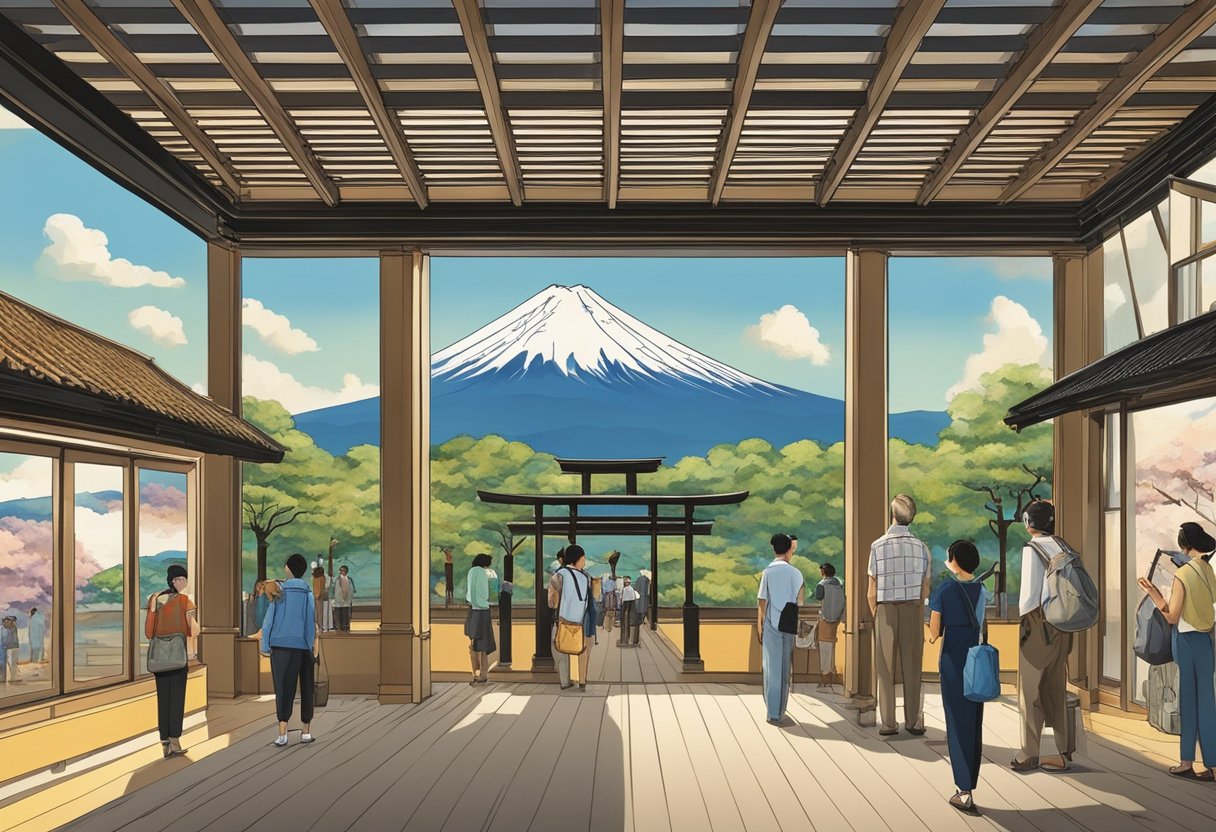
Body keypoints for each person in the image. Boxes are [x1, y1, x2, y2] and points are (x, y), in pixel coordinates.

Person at [1137, 521, 1216, 781]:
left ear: (1185, 545)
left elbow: (1171, 616)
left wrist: (1153, 593)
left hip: (1185, 640)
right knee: (1207, 702)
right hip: (1205, 641)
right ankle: (1213, 765)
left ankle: (1186, 762)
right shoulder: (1207, 570)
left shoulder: (1182, 574)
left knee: (1188, 701)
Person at [928, 540, 988, 814]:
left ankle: (964, 792)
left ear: (953, 560)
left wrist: (925, 625)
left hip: (954, 663)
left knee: (957, 725)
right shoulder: (982, 590)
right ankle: (969, 785)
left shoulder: (946, 589)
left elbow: (933, 633)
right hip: (976, 663)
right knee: (973, 725)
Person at [1013, 499, 1072, 772]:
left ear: (1028, 522)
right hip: (1063, 625)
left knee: (1030, 690)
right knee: (1056, 688)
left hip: (1037, 624)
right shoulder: (1064, 547)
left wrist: (1024, 625)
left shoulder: (1032, 549)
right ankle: (1061, 752)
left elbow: (1028, 598)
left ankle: (1029, 752)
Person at [868, 494, 931, 736]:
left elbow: (871, 590)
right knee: (913, 665)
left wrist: (877, 613)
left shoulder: (877, 545)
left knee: (884, 667)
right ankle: (913, 721)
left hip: (885, 608)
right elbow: (926, 587)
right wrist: (919, 609)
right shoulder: (922, 547)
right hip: (913, 608)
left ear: (893, 515)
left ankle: (888, 723)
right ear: (911, 518)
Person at [261, 553, 317, 747]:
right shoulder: (307, 594)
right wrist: (309, 645)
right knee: (307, 688)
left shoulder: (278, 591)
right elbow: (311, 623)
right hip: (302, 646)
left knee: (283, 689)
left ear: (288, 569)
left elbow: (269, 621)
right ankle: (306, 732)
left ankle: (282, 733)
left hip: (280, 646)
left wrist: (265, 645)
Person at [145, 564, 197, 757]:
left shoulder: (155, 599)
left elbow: (149, 632)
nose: (185, 582)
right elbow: (193, 630)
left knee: (163, 699)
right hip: (178, 655)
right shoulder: (185, 601)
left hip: (160, 657)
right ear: (176, 581)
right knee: (177, 699)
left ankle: (164, 741)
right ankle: (175, 741)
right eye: (183, 579)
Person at [758, 533, 805, 725]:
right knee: (785, 667)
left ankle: (772, 712)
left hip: (770, 621)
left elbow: (762, 600)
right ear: (788, 550)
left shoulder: (767, 572)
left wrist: (761, 624)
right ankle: (781, 711)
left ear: (774, 549)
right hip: (788, 622)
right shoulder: (796, 573)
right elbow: (800, 600)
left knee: (771, 667)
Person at [548, 545, 592, 691]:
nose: (584, 561)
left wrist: (556, 605)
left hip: (561, 620)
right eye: (583, 558)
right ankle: (582, 681)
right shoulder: (586, 577)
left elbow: (552, 600)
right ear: (577, 559)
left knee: (560, 650)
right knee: (580, 648)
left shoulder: (559, 575)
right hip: (579, 621)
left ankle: (565, 682)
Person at [465, 553, 496, 684]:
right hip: (482, 609)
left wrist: (473, 602)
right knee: (483, 642)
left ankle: (476, 673)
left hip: (475, 609)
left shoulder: (473, 571)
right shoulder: (481, 572)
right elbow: (480, 591)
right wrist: (480, 603)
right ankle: (482, 673)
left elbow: (471, 590)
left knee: (474, 642)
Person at [815, 563, 844, 689]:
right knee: (833, 648)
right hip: (838, 620)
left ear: (823, 572)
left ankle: (825, 677)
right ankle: (832, 675)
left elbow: (818, 598)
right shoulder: (840, 586)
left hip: (825, 619)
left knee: (824, 648)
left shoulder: (821, 585)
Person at [333, 566, 356, 632]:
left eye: (343, 570)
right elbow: (336, 590)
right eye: (340, 570)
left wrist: (349, 598)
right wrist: (339, 598)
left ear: (346, 571)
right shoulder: (338, 579)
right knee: (339, 613)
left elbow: (352, 589)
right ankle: (339, 626)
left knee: (346, 614)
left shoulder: (349, 579)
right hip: (339, 601)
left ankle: (346, 626)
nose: (341, 572)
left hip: (347, 601)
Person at [631, 570, 651, 645]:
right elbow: (648, 590)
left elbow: (636, 589)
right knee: (643, 609)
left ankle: (640, 619)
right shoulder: (647, 580)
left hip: (639, 598)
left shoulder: (638, 579)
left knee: (639, 609)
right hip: (645, 597)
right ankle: (642, 619)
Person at [618, 576, 639, 647]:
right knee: (631, 622)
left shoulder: (624, 590)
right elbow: (636, 596)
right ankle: (631, 640)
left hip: (625, 606)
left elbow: (621, 598)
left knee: (624, 622)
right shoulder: (632, 590)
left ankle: (625, 640)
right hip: (632, 607)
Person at [312, 565, 329, 633]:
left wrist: (317, 595)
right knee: (319, 613)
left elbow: (318, 588)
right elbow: (321, 588)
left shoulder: (317, 578)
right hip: (318, 596)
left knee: (317, 613)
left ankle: (318, 627)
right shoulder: (321, 578)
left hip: (316, 596)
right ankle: (319, 627)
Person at [1, 617, 19, 684]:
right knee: (8, 663)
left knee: (12, 663)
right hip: (7, 648)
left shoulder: (13, 627)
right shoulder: (3, 628)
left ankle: (12, 678)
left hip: (12, 648)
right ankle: (8, 678)